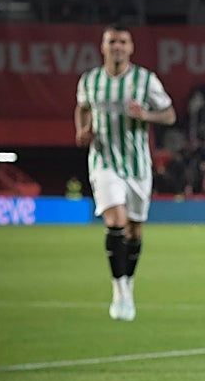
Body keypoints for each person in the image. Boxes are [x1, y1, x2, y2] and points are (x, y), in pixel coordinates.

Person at [75, 23, 177, 322]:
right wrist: (82, 130)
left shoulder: (146, 80)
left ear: (131, 47)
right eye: (112, 41)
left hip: (138, 166)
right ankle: (119, 289)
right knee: (116, 222)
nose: (117, 46)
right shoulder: (90, 80)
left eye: (122, 41)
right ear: (103, 47)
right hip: (104, 161)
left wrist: (146, 115)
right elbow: (82, 107)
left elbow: (170, 115)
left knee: (134, 231)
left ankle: (128, 283)